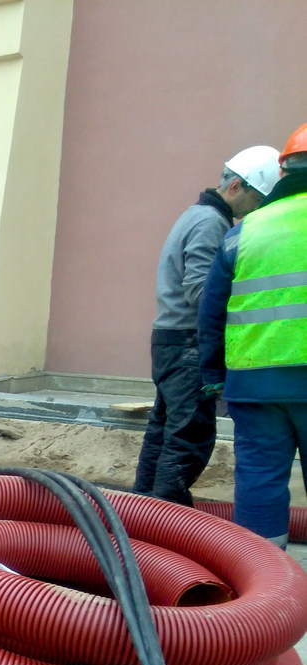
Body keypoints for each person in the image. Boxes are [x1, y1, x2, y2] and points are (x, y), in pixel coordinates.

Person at [134, 146, 281, 505]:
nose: (256, 209)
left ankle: (140, 510)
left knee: (164, 432)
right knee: (189, 438)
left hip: (171, 340)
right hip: (187, 344)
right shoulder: (211, 223)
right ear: (236, 187)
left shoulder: (196, 215)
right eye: (256, 199)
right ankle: (166, 517)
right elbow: (200, 292)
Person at [198, 124, 307, 546]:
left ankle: (264, 579)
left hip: (253, 385)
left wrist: (213, 376)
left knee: (259, 480)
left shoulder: (243, 231)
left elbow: (212, 311)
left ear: (284, 172)